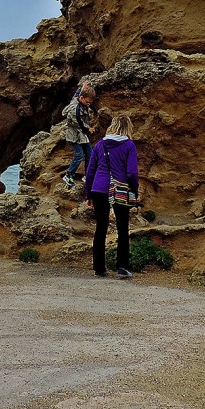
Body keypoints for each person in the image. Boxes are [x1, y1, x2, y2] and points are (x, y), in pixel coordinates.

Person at [84, 114, 139, 279]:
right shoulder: (129, 145)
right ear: (127, 128)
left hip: (99, 189)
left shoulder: (100, 145)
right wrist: (134, 191)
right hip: (120, 189)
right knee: (123, 228)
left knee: (101, 227)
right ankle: (122, 266)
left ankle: (99, 268)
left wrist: (88, 194)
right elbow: (132, 172)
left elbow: (90, 171)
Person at [62, 84, 97, 186]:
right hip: (74, 135)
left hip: (81, 135)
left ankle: (88, 175)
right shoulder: (75, 109)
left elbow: (75, 96)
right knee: (79, 155)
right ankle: (69, 175)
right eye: (87, 102)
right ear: (82, 98)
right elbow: (79, 123)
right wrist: (88, 129)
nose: (88, 104)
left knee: (90, 154)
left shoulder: (78, 100)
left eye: (90, 103)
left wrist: (81, 88)